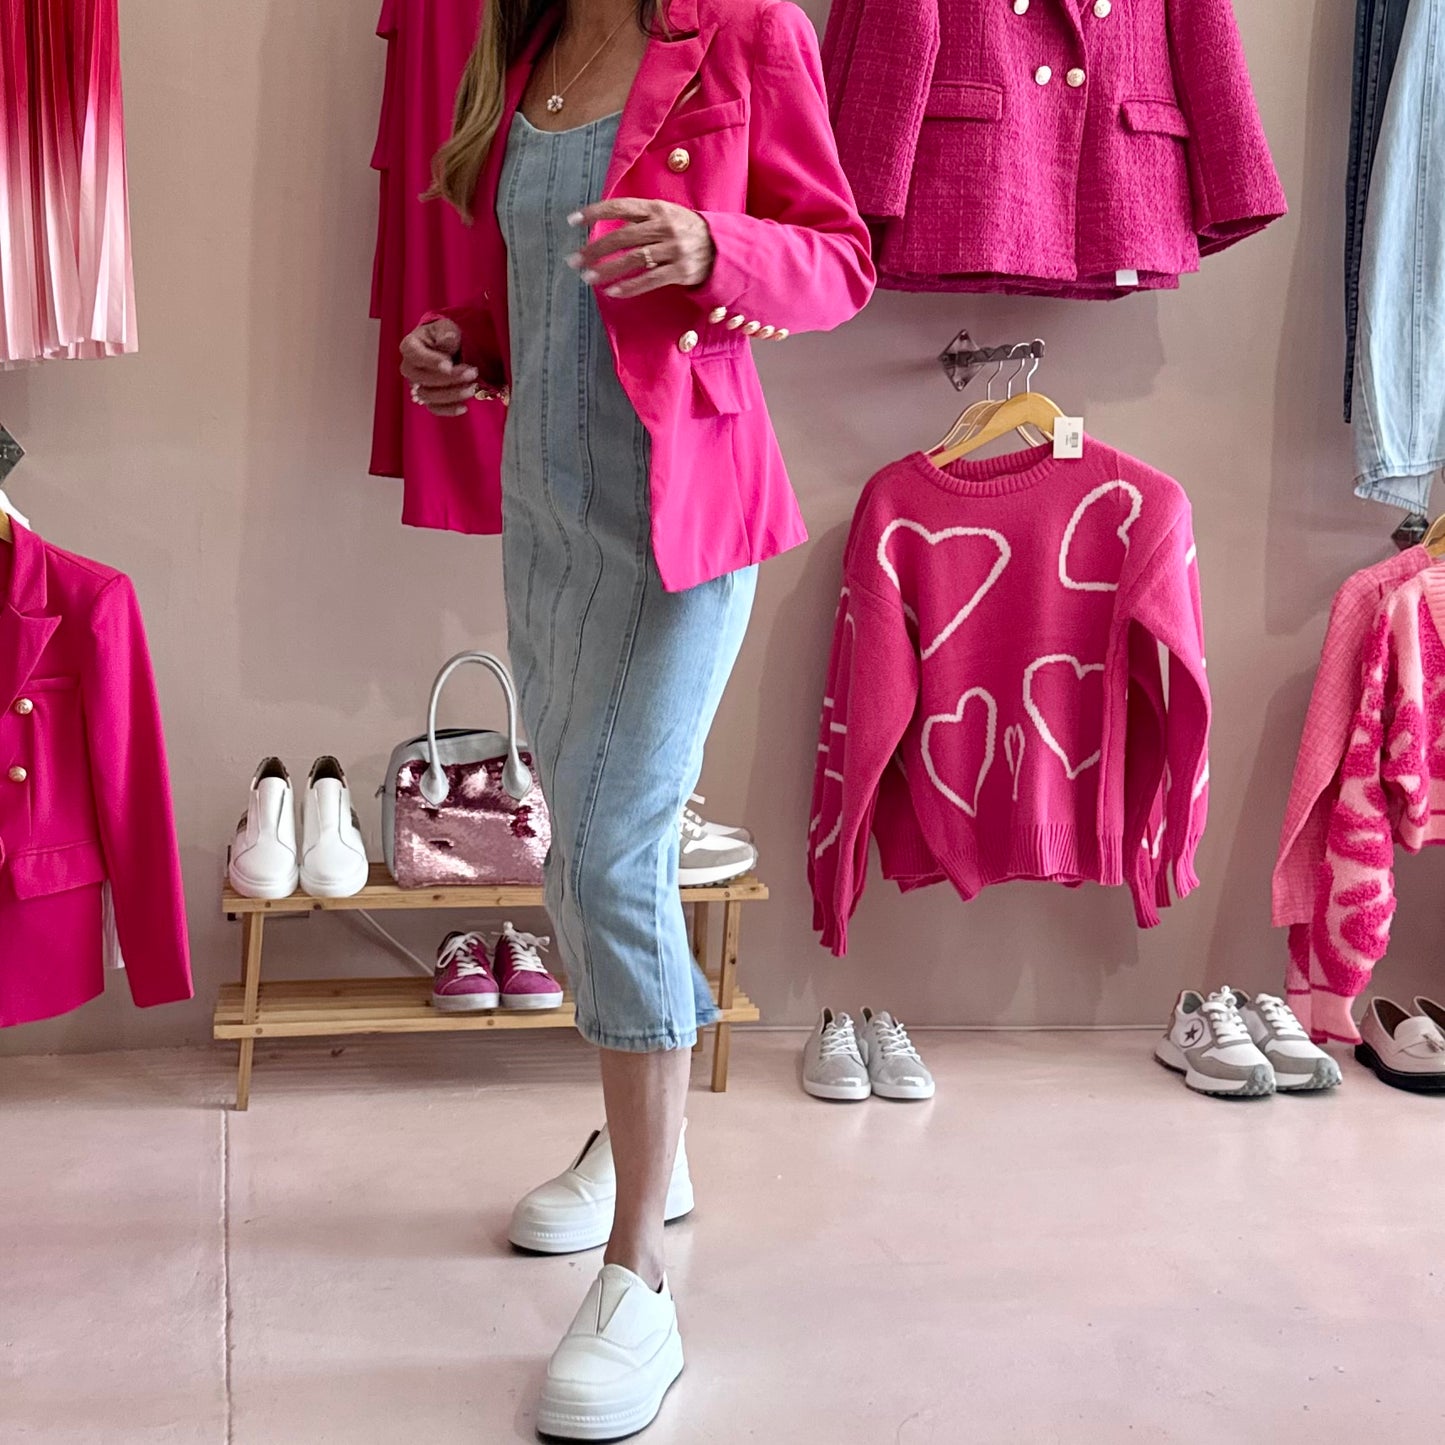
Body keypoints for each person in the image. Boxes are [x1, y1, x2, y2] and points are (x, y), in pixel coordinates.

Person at [399, 0, 872, 1434]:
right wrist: (469, 348)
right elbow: (555, 302)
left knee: (609, 858)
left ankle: (640, 1279)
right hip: (548, 528)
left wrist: (716, 245)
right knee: (583, 857)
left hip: (684, 525)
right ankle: (638, 1150)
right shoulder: (526, 48)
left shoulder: (747, 31)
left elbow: (841, 261)